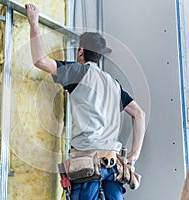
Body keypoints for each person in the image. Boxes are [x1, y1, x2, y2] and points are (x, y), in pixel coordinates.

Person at [26, 4, 146, 199]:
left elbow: (41, 61)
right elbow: (139, 114)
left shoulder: (79, 73)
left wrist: (34, 24)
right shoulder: (113, 84)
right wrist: (135, 153)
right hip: (113, 165)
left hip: (88, 164)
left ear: (81, 51)